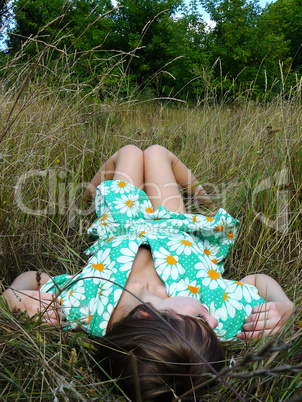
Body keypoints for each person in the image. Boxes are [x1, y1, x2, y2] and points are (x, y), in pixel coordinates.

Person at [3, 145, 294, 401]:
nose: (213, 318)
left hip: (121, 222)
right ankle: (206, 202)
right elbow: (258, 282)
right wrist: (284, 306)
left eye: (201, 318)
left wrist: (11, 297)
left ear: (146, 315)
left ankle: (85, 199)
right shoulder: (208, 331)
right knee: (156, 152)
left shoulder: (82, 307)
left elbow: (33, 277)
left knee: (129, 152)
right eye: (212, 324)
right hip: (174, 225)